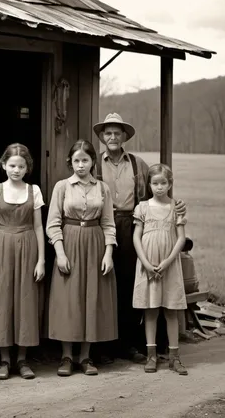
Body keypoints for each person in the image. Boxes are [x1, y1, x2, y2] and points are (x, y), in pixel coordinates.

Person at [92, 113, 186, 363]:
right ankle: (103, 346)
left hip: (131, 224)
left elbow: (157, 191)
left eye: (117, 133)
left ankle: (131, 344)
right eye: (108, 133)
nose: (113, 137)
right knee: (103, 284)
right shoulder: (94, 164)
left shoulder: (137, 164)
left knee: (130, 285)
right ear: (102, 137)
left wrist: (177, 206)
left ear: (124, 137)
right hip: (101, 225)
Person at [46, 139, 117, 377]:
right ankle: (67, 357)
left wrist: (108, 253)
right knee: (69, 298)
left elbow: (108, 223)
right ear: (70, 163)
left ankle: (86, 357)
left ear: (93, 162)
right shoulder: (62, 187)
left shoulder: (103, 188)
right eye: (76, 161)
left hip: (95, 243)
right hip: (69, 242)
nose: (80, 165)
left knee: (91, 297)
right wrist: (60, 253)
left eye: (85, 160)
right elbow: (53, 223)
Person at [0, 143, 46, 380]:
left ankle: (22, 359)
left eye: (21, 166)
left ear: (27, 167)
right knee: (2, 300)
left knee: (26, 300)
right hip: (2, 246)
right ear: (3, 165)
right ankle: (4, 360)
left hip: (28, 245)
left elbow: (39, 226)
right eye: (12, 165)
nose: (16, 170)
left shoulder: (34, 191)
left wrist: (41, 260)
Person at [132, 163, 188, 375]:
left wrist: (167, 262)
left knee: (171, 310)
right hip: (148, 265)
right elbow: (137, 236)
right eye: (155, 183)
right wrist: (146, 263)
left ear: (170, 184)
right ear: (149, 184)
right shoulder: (143, 207)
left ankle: (174, 357)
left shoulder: (176, 208)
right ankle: (151, 356)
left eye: (163, 183)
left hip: (169, 265)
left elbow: (181, 238)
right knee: (151, 310)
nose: (159, 187)